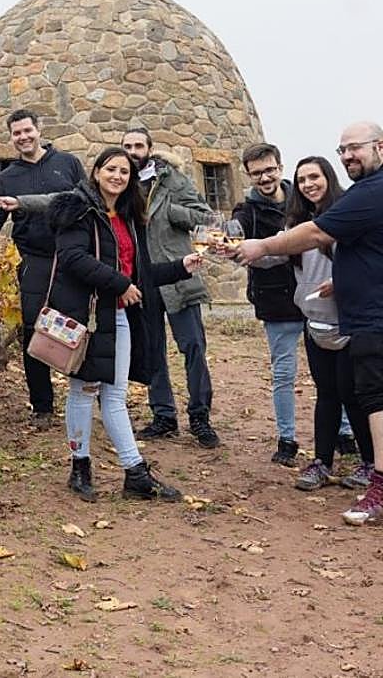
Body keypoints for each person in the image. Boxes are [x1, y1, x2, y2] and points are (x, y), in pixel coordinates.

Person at [236, 122, 383, 525]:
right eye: (343, 149)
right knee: (336, 394)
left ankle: (376, 477)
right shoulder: (339, 206)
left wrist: (261, 244)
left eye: (355, 148)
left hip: (361, 320)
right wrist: (244, 252)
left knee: (368, 398)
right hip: (323, 321)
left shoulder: (359, 201)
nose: (349, 155)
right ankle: (329, 461)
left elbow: (316, 235)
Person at [46, 147, 200, 502]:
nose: (118, 176)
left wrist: (181, 266)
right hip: (89, 316)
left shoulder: (129, 216)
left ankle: (134, 473)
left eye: (125, 172)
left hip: (117, 315)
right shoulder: (78, 208)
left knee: (114, 394)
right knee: (84, 390)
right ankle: (80, 466)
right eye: (111, 169)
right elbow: (72, 259)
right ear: (97, 171)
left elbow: (138, 274)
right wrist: (121, 285)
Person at [0, 108, 85, 429]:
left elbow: (83, 202)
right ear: (11, 137)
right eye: (17, 133)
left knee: (82, 327)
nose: (23, 137)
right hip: (34, 261)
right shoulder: (8, 177)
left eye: (27, 130)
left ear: (39, 129)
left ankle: (86, 396)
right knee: (33, 330)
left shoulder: (68, 164)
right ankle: (43, 407)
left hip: (73, 258)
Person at [120, 127, 219, 448]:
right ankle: (163, 415)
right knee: (153, 352)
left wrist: (171, 212)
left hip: (177, 277)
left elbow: (206, 217)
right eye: (127, 146)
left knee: (192, 348)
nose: (133, 151)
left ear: (149, 149)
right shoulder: (120, 183)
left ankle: (200, 416)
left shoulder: (173, 181)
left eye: (138, 145)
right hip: (143, 281)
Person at [283, 156, 375, 491]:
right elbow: (275, 253)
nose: (308, 184)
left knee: (354, 395)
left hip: (349, 322)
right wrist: (238, 250)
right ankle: (321, 462)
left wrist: (341, 280)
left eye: (314, 176)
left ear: (328, 177)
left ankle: (369, 462)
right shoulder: (296, 222)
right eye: (302, 179)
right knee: (326, 394)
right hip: (315, 323)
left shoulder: (347, 214)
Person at [231, 143, 307, 466]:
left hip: (317, 297)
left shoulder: (302, 199)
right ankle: (287, 439)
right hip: (276, 301)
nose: (265, 177)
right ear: (248, 175)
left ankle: (345, 432)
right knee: (284, 374)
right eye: (257, 172)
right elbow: (238, 245)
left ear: (280, 166)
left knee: (332, 373)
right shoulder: (245, 212)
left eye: (270, 169)